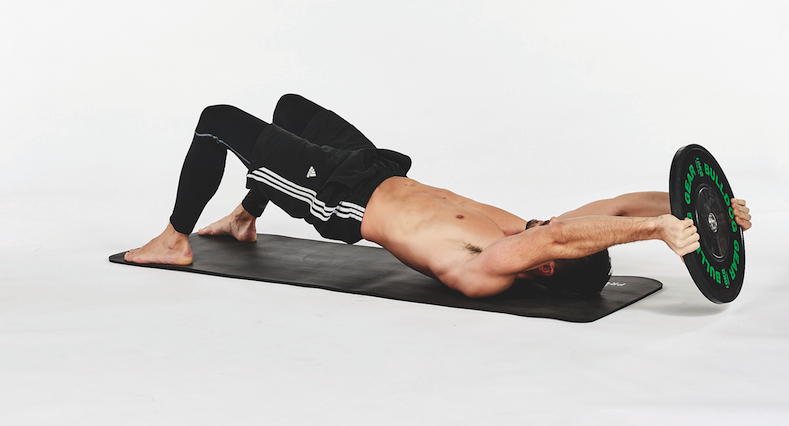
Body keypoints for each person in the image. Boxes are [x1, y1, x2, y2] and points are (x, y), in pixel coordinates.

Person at [124, 94, 752, 299]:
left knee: (217, 121)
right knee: (291, 109)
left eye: (549, 238)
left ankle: (175, 239)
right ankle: (243, 216)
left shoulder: (489, 270)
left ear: (548, 264)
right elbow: (615, 207)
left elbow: (566, 233)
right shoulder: (526, 231)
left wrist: (658, 235)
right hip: (370, 168)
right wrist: (705, 213)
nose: (546, 223)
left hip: (342, 197)